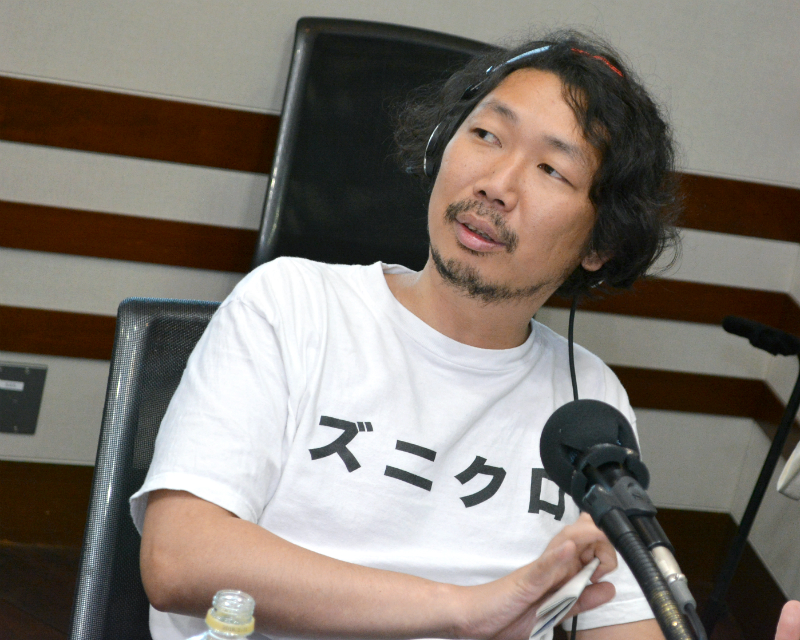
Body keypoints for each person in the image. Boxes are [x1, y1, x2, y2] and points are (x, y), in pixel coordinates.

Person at [131, 29, 796, 640]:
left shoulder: (588, 405)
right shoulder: (293, 304)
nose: (496, 185)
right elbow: (179, 558)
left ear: (601, 244)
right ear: (439, 146)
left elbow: (621, 624)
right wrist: (468, 610)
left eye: (552, 170)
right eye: (485, 135)